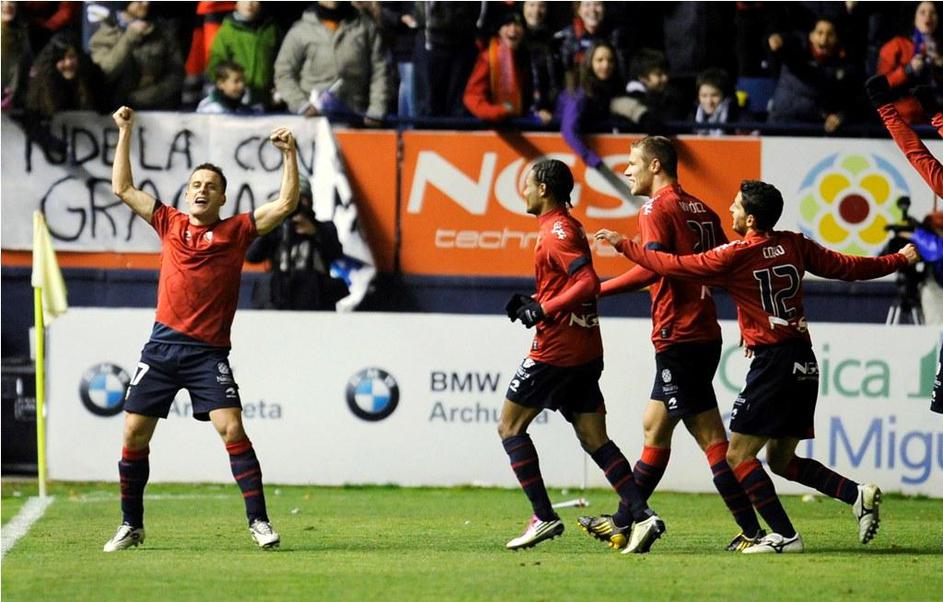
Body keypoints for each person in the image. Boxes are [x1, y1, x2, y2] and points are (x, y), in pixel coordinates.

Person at [596, 180, 919, 553]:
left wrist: (624, 245)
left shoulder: (737, 254)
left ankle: (783, 535)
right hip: (803, 362)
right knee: (780, 460)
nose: (729, 212)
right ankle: (855, 494)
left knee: (737, 455)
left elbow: (674, 265)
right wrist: (898, 259)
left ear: (750, 219)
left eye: (734, 207)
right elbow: (848, 268)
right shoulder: (795, 243)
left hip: (774, 364)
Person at [102, 105, 300, 552]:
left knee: (232, 429)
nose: (201, 191)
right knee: (133, 433)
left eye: (210, 186)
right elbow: (122, 187)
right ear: (186, 192)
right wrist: (125, 130)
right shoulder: (168, 222)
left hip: (207, 353)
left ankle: (259, 522)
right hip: (161, 349)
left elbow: (286, 203)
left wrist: (290, 155)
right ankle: (131, 525)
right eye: (195, 185)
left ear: (223, 198)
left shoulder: (237, 231)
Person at [578, 137, 763, 553]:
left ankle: (753, 532)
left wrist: (597, 291)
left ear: (656, 165)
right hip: (700, 332)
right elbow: (718, 271)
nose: (626, 171)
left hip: (680, 335)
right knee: (654, 426)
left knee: (711, 438)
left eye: (632, 163)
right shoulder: (703, 209)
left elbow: (652, 271)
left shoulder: (654, 209)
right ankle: (624, 520)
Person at [498, 159, 664, 555]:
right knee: (594, 438)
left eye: (527, 184)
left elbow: (587, 283)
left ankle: (543, 516)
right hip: (585, 349)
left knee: (510, 426)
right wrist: (538, 302)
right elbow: (570, 283)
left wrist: (543, 311)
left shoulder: (554, 231)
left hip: (556, 350)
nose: (522, 191)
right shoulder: (565, 227)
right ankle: (642, 515)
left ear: (544, 189)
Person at [274, 0, 388, 126]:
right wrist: (301, 105)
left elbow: (380, 70)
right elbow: (283, 73)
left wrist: (376, 109)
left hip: (356, 119)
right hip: (312, 122)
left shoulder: (365, 27)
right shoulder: (300, 31)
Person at [246, 175, 348, 310]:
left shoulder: (324, 228)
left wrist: (315, 233)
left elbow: (336, 254)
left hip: (315, 299)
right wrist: (272, 222)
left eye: (301, 198)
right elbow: (252, 256)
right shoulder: (277, 229)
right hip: (279, 298)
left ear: (310, 201)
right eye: (292, 199)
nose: (297, 205)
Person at [767, 17, 860, 134]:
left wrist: (840, 116)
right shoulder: (797, 51)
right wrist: (779, 39)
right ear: (811, 36)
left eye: (830, 34)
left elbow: (852, 101)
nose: (824, 39)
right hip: (780, 124)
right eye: (819, 33)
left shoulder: (844, 68)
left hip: (813, 131)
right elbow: (787, 43)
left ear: (836, 39)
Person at [462, 9, 553, 125]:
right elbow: (472, 97)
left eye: (517, 25)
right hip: (494, 126)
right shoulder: (488, 58)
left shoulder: (530, 56)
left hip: (523, 120)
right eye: (507, 25)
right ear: (499, 31)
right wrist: (498, 111)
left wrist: (540, 111)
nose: (513, 30)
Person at [88, 1, 184, 110]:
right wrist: (130, 37)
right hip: (114, 114)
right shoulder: (104, 36)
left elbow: (176, 74)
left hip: (156, 111)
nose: (146, 3)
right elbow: (105, 73)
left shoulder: (163, 34)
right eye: (139, 1)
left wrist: (142, 98)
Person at [877, 1, 943, 124]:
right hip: (902, 119)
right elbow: (879, 86)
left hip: (935, 119)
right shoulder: (896, 45)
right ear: (914, 17)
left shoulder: (939, 48)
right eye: (922, 12)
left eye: (933, 13)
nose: (928, 17)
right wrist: (908, 70)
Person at [208, 0, 281, 111]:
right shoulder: (226, 31)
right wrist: (228, 87)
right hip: (233, 102)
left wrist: (278, 88)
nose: (249, 4)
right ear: (236, 4)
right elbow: (216, 65)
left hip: (265, 100)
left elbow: (281, 63)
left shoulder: (272, 30)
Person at [25, 32, 103, 118]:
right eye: (61, 59)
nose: (68, 63)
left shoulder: (92, 79)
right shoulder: (41, 89)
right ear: (52, 63)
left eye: (72, 56)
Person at [196, 59, 263, 114]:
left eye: (243, 80)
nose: (242, 85)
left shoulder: (244, 110)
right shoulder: (209, 109)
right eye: (236, 81)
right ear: (221, 84)